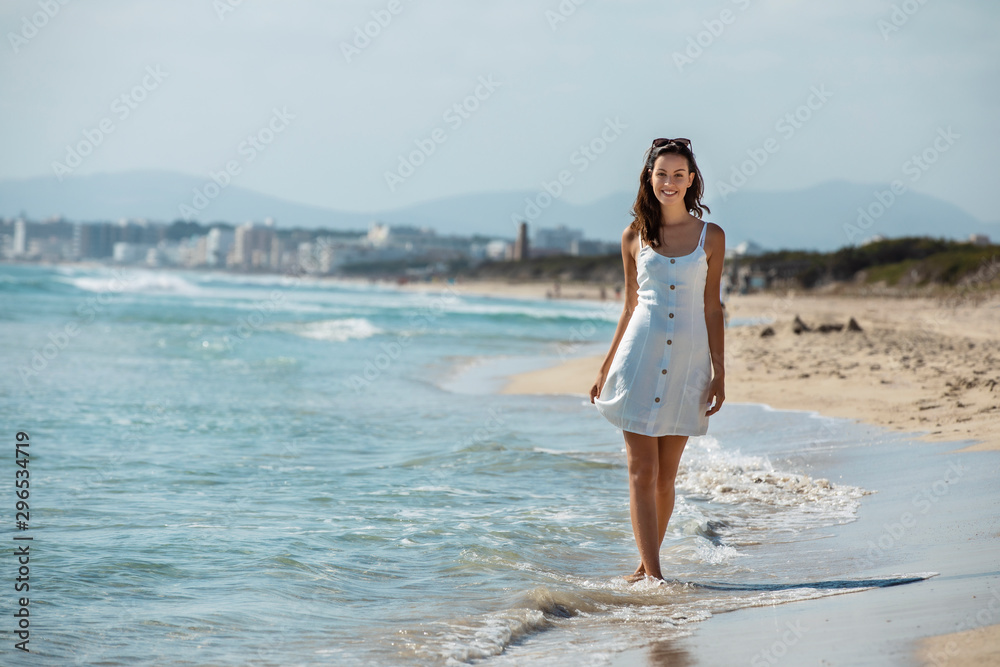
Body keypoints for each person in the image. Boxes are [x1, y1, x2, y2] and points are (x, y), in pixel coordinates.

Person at [589, 137, 726, 583]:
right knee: (641, 469)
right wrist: (606, 366)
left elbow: (711, 307)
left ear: (691, 181)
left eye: (678, 175)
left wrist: (720, 370)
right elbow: (629, 306)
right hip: (639, 359)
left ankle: (645, 567)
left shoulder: (711, 237)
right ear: (650, 178)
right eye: (662, 174)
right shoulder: (634, 236)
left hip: (688, 363)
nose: (670, 182)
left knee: (666, 476)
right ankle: (654, 574)